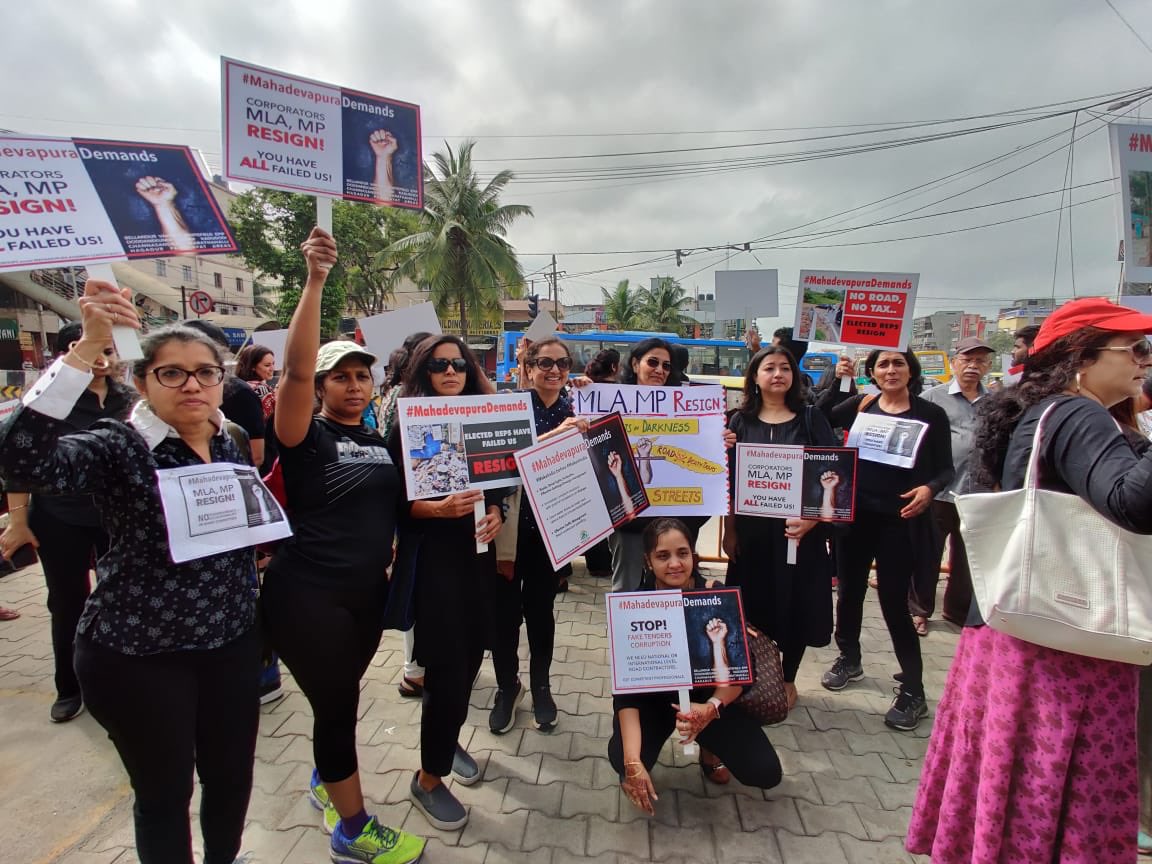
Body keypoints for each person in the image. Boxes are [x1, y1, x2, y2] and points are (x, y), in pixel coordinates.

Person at [0, 287, 261, 864]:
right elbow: (18, 458)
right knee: (166, 795)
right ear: (141, 383)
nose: (192, 385)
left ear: (222, 381)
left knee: (231, 785)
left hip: (231, 648)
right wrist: (86, 346)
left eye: (205, 373)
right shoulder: (120, 444)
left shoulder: (232, 440)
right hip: (140, 654)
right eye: (172, 373)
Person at [907, 297, 1152, 862]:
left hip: (1022, 635)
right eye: (1134, 348)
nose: (1144, 361)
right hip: (1065, 648)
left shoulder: (1046, 412)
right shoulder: (1076, 413)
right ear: (1080, 359)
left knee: (1009, 799)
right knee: (1055, 801)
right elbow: (1132, 504)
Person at [257, 229, 425, 864]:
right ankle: (353, 832)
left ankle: (327, 778)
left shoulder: (381, 442)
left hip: (365, 597)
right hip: (308, 595)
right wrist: (315, 281)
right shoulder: (303, 437)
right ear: (321, 387)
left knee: (341, 701)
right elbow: (296, 366)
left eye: (362, 375)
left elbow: (407, 503)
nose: (353, 386)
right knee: (335, 707)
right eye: (340, 378)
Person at [386, 334, 504, 831]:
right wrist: (432, 508)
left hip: (478, 559)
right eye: (439, 365)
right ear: (422, 371)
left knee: (471, 660)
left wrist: (497, 510)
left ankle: (445, 737)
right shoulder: (406, 423)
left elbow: (500, 481)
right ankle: (428, 778)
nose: (451, 372)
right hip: (434, 566)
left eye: (459, 364)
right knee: (446, 670)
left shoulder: (485, 416)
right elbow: (390, 500)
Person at [0, 322, 136, 723]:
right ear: (66, 353)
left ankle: (121, 679)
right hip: (59, 518)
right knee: (67, 602)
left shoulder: (128, 399)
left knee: (121, 599)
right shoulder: (46, 402)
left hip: (116, 518)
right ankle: (70, 686)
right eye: (90, 346)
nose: (101, 356)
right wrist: (18, 521)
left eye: (108, 348)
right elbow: (18, 466)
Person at [817, 349, 953, 731]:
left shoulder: (930, 414)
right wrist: (839, 378)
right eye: (882, 365)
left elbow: (946, 467)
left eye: (898, 363)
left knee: (894, 603)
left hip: (901, 522)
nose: (891, 370)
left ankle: (913, 689)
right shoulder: (862, 404)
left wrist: (930, 488)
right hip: (855, 519)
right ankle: (849, 658)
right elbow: (821, 413)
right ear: (872, 373)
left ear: (911, 370)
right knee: (849, 592)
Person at [609, 518, 782, 813]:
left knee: (765, 772)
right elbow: (627, 696)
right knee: (621, 759)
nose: (675, 564)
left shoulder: (717, 597)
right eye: (663, 556)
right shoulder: (631, 607)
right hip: (656, 703)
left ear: (694, 555)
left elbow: (742, 676)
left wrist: (711, 708)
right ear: (648, 562)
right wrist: (632, 761)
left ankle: (709, 750)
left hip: (706, 704)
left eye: (682, 553)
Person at [723, 346, 836, 713]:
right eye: (768, 368)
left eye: (784, 368)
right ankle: (752, 675)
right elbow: (728, 482)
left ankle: (787, 678)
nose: (777, 374)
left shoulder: (809, 418)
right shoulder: (738, 421)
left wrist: (814, 519)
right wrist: (730, 530)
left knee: (795, 607)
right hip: (752, 536)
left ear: (793, 377)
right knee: (750, 606)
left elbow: (834, 473)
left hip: (799, 535)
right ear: (754, 377)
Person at [490, 337, 587, 735]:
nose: (554, 370)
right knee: (504, 617)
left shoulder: (578, 410)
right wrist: (555, 437)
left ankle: (542, 686)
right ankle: (507, 687)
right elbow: (500, 460)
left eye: (562, 363)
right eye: (544, 363)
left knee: (541, 614)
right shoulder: (507, 409)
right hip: (508, 532)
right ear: (527, 369)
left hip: (553, 534)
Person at [920, 336, 993, 628]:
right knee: (928, 555)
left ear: (988, 367)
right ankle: (920, 611)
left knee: (967, 559)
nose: (973, 366)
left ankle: (957, 612)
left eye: (980, 361)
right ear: (954, 363)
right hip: (938, 490)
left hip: (977, 493)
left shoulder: (996, 401)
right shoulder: (933, 398)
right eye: (967, 360)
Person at [581, 349, 619, 579]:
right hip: (611, 453)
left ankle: (597, 563)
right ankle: (606, 561)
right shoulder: (620, 390)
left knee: (592, 512)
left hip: (590, 456)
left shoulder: (586, 388)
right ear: (615, 367)